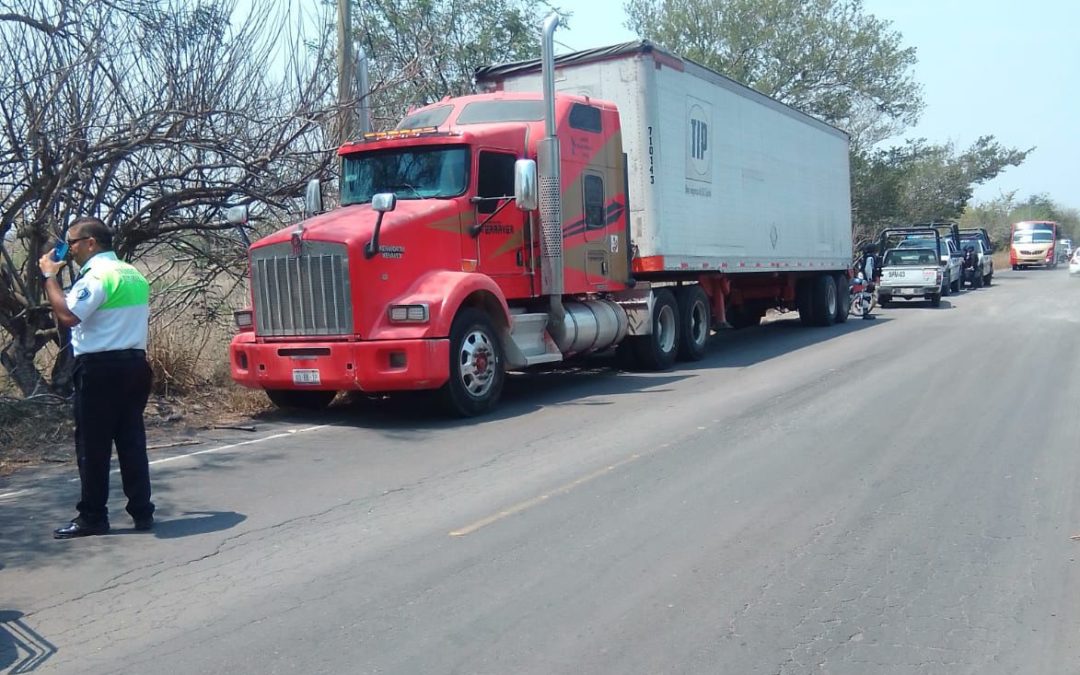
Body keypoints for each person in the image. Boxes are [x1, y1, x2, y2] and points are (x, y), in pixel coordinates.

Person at [38, 216, 155, 539]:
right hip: (135, 365)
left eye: (72, 243)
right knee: (131, 440)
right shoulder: (132, 273)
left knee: (93, 445)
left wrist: (50, 277)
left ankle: (92, 516)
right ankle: (142, 511)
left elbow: (67, 316)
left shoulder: (97, 276)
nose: (69, 250)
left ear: (91, 243)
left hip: (101, 369)